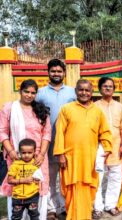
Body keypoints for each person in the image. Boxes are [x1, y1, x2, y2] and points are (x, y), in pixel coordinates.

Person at [53, 79, 113, 220]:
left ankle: (84, 215)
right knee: (70, 188)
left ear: (92, 92)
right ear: (76, 91)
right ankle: (73, 216)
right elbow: (59, 132)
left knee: (88, 186)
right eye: (81, 89)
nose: (84, 93)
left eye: (87, 90)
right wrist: (60, 154)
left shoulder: (97, 112)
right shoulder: (66, 109)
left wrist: (107, 148)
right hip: (70, 158)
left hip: (90, 158)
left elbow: (105, 132)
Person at [0, 79, 51, 220]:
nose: (29, 95)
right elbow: (2, 131)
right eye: (26, 92)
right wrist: (10, 151)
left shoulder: (41, 111)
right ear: (20, 91)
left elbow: (47, 134)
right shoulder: (9, 108)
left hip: (38, 158)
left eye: (33, 93)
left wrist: (41, 155)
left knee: (38, 185)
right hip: (15, 156)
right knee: (16, 186)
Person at [36, 59, 76, 219]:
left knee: (68, 178)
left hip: (69, 143)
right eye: (53, 71)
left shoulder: (73, 92)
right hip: (49, 142)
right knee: (50, 178)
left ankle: (66, 206)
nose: (56, 74)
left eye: (59, 71)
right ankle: (52, 209)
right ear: (48, 72)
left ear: (64, 73)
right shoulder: (40, 93)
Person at [93, 77, 122, 218]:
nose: (108, 88)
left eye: (110, 86)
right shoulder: (94, 106)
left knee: (115, 177)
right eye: (105, 86)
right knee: (98, 177)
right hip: (99, 146)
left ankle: (111, 205)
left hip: (116, 146)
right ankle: (97, 207)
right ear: (100, 88)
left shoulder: (119, 107)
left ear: (114, 89)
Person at [7, 138, 42, 220]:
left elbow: (38, 179)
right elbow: (9, 180)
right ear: (19, 152)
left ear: (34, 152)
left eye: (29, 152)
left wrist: (37, 180)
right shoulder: (15, 165)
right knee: (16, 217)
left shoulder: (35, 164)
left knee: (34, 216)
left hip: (32, 196)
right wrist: (23, 180)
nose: (26, 155)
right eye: (24, 153)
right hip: (18, 198)